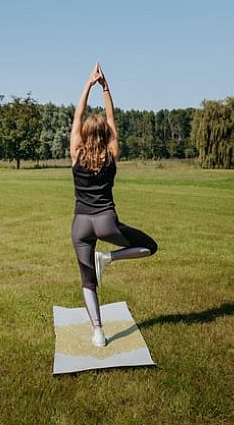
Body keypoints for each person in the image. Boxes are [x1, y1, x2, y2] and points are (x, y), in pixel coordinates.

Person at [70, 62, 158, 347]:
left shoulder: (76, 153)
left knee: (87, 281)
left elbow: (78, 115)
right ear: (106, 135)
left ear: (84, 134)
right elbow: (111, 116)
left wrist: (87, 85)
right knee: (149, 247)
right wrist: (105, 87)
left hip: (81, 224)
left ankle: (98, 332)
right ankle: (109, 258)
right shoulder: (111, 154)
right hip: (107, 222)